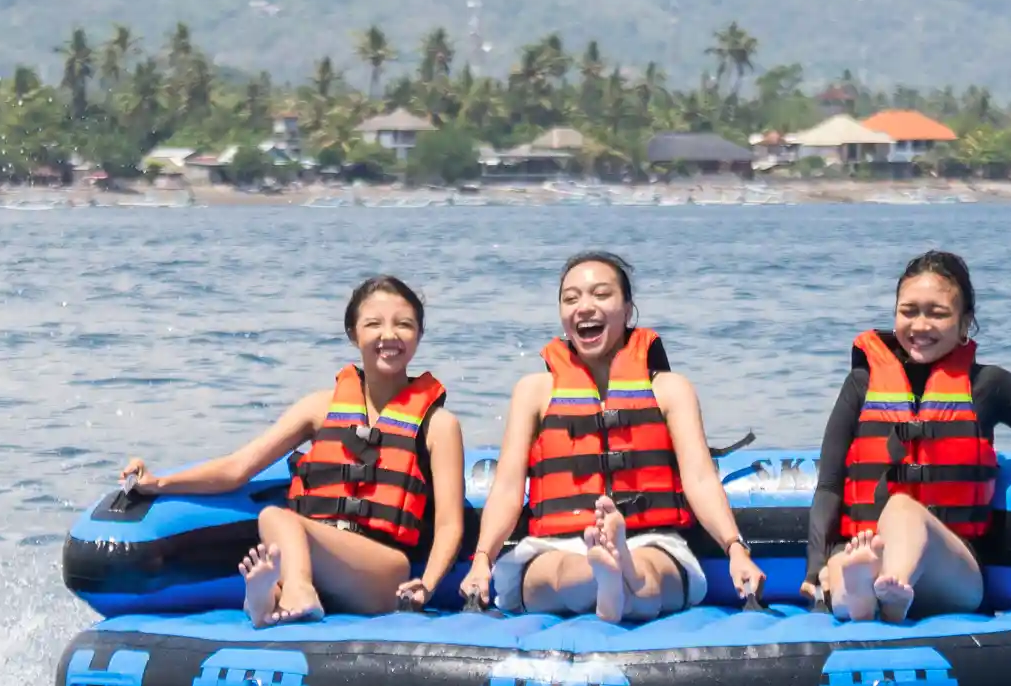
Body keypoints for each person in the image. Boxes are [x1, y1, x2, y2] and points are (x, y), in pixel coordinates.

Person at [116, 275, 466, 623]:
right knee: (277, 525)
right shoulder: (318, 407)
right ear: (353, 334)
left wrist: (428, 585)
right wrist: (159, 483)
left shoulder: (439, 425)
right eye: (373, 324)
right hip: (316, 560)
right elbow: (238, 468)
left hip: (383, 571)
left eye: (403, 324)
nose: (389, 335)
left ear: (419, 334)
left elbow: (450, 523)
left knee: (275, 517)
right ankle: (271, 598)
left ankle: (289, 590)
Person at [810, 248, 1011, 622]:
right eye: (908, 311)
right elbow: (829, 485)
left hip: (952, 573)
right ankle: (864, 595)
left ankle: (890, 591)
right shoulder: (861, 385)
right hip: (866, 547)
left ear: (964, 323)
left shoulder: (986, 387)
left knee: (903, 509)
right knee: (847, 561)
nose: (920, 325)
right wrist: (816, 567)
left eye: (937, 313)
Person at [461, 251, 768, 623]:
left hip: (650, 540)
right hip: (553, 546)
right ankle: (608, 575)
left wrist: (734, 547)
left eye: (601, 295)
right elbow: (508, 488)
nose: (584, 307)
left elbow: (700, 479)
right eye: (571, 298)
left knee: (649, 573)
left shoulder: (670, 390)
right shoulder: (534, 392)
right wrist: (482, 559)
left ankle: (615, 572)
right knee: (563, 575)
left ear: (627, 310)